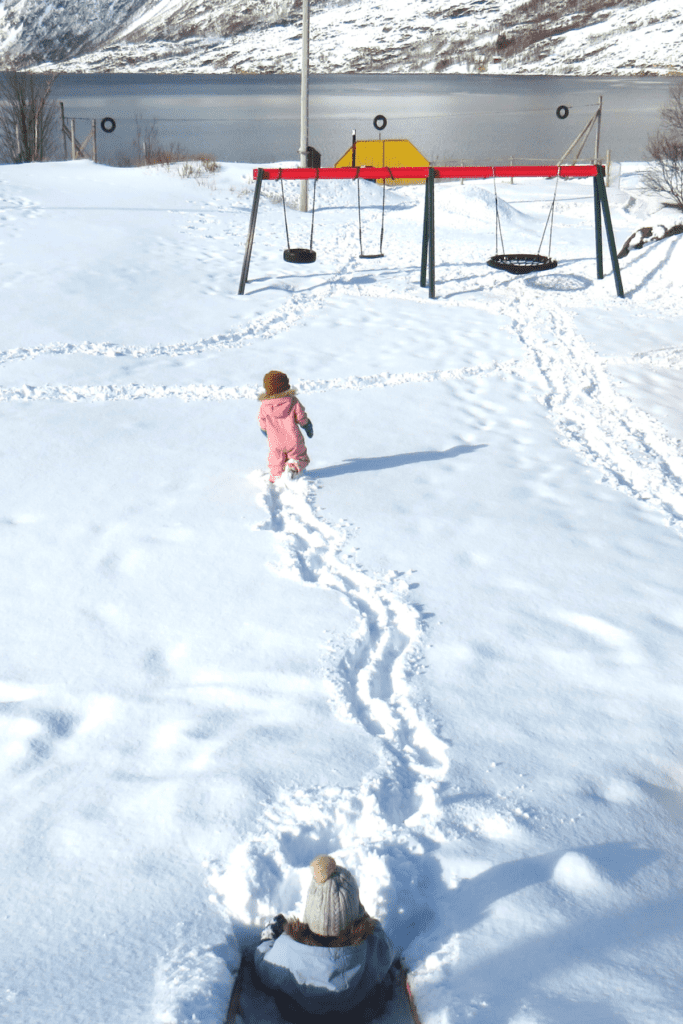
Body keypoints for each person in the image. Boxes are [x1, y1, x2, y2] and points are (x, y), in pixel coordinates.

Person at [253, 855, 396, 1023]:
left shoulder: (287, 949)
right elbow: (388, 951)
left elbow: (264, 969)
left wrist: (268, 939)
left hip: (302, 1014)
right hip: (357, 1012)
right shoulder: (371, 944)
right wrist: (364, 921)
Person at [258, 371, 313, 483]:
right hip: (293, 439)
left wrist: (266, 433)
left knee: (276, 462)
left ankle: (275, 478)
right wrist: (307, 426)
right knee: (300, 457)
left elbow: (262, 422)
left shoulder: (264, 405)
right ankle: (293, 468)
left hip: (275, 441)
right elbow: (301, 417)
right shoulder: (292, 401)